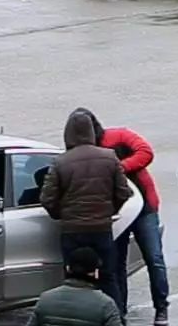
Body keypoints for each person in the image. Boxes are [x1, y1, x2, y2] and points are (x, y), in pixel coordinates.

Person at [40, 108, 134, 312]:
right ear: (91, 132)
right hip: (101, 229)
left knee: (73, 282)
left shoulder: (60, 162)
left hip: (72, 231)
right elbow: (124, 192)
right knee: (108, 278)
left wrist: (62, 215)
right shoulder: (109, 157)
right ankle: (115, 318)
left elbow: (47, 199)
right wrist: (108, 212)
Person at [81, 113, 169, 324]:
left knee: (154, 259)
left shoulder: (119, 136)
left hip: (144, 208)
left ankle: (161, 308)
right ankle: (119, 312)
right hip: (116, 212)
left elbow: (145, 152)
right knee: (116, 263)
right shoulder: (85, 152)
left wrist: (119, 168)